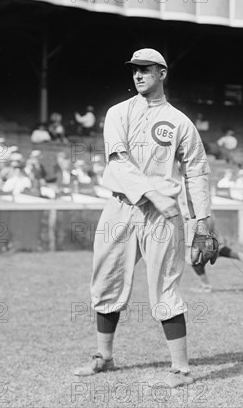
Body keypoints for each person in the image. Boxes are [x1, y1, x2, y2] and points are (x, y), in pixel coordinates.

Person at [73, 48, 212, 388]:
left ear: (162, 73)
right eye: (134, 70)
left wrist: (203, 222)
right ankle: (104, 357)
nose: (137, 75)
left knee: (164, 286)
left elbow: (197, 172)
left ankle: (181, 371)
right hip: (121, 206)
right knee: (105, 280)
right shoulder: (118, 113)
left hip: (163, 215)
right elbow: (118, 162)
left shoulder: (180, 122)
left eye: (146, 69)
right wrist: (152, 194)